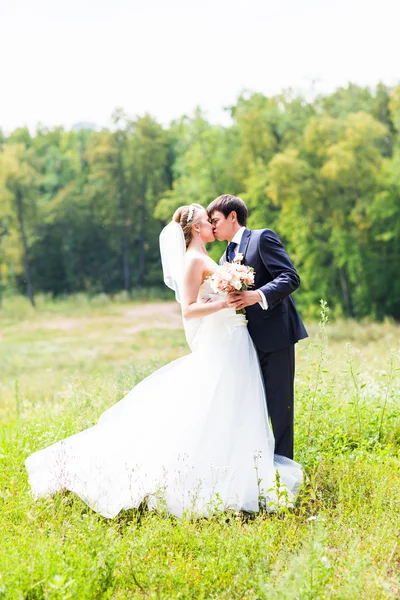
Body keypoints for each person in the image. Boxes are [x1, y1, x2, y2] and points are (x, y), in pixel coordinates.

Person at [25, 204, 302, 519]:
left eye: (215, 220)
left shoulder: (220, 255)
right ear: (197, 228)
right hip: (225, 341)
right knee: (215, 407)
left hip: (237, 340)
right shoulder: (194, 260)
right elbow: (189, 310)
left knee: (234, 408)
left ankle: (241, 475)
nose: (212, 224)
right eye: (207, 221)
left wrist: (234, 296)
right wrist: (226, 301)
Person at [207, 194, 308, 460]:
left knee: (280, 408)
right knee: (252, 407)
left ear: (232, 216)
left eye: (215, 220)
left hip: (276, 336)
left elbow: (290, 277)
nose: (212, 226)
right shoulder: (223, 258)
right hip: (245, 341)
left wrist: (257, 295)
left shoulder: (262, 238)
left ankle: (285, 471)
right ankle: (260, 466)